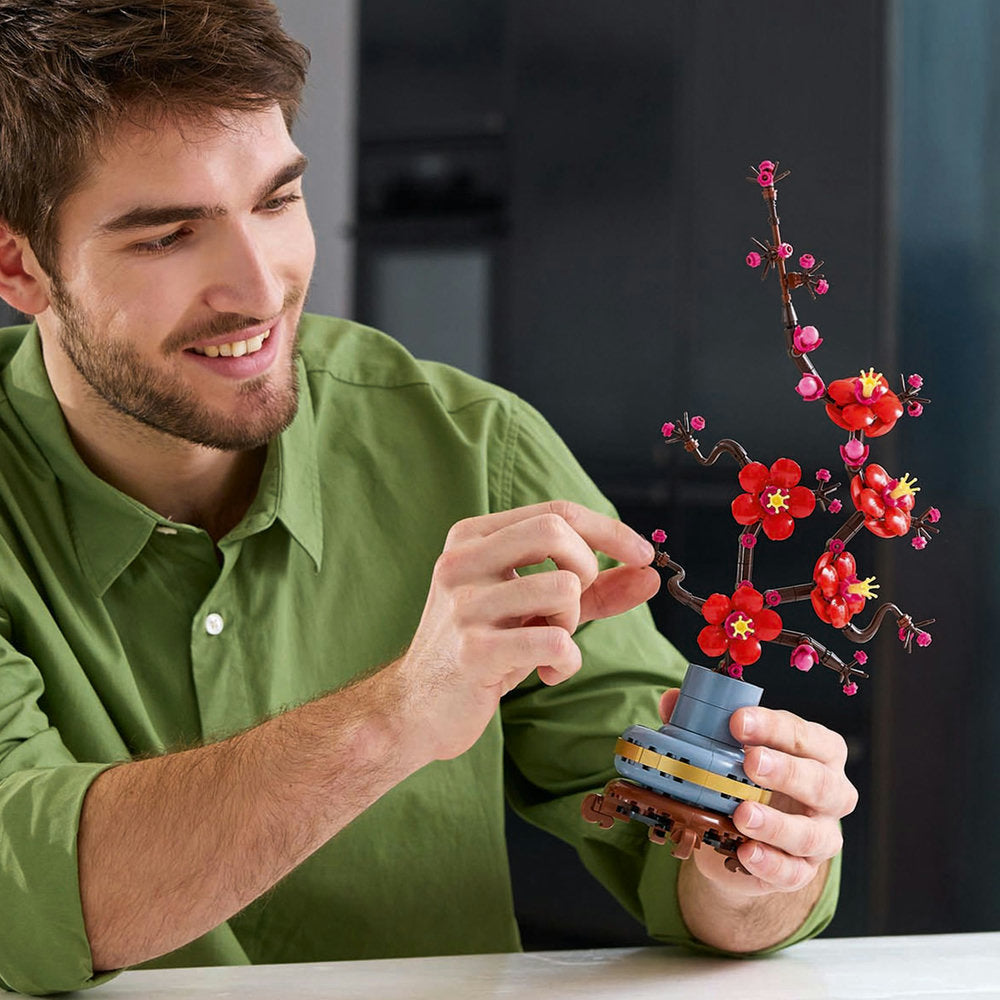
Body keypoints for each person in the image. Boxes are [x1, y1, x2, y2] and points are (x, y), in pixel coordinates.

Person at [0, 1, 855, 994]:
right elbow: (28, 900)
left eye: (276, 201)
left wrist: (755, 858)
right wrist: (396, 716)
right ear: (20, 264)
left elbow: (673, 848)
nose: (258, 286)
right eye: (166, 237)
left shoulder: (474, 448)